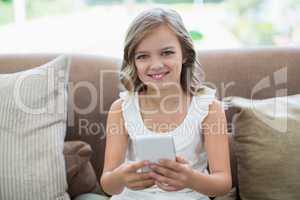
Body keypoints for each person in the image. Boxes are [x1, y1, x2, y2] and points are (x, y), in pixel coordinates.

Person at [100, 7, 232, 200]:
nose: (156, 65)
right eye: (143, 56)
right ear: (133, 62)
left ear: (185, 54)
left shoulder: (209, 108)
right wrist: (121, 178)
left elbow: (223, 183)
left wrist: (190, 178)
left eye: (166, 53)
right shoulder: (121, 109)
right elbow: (108, 185)